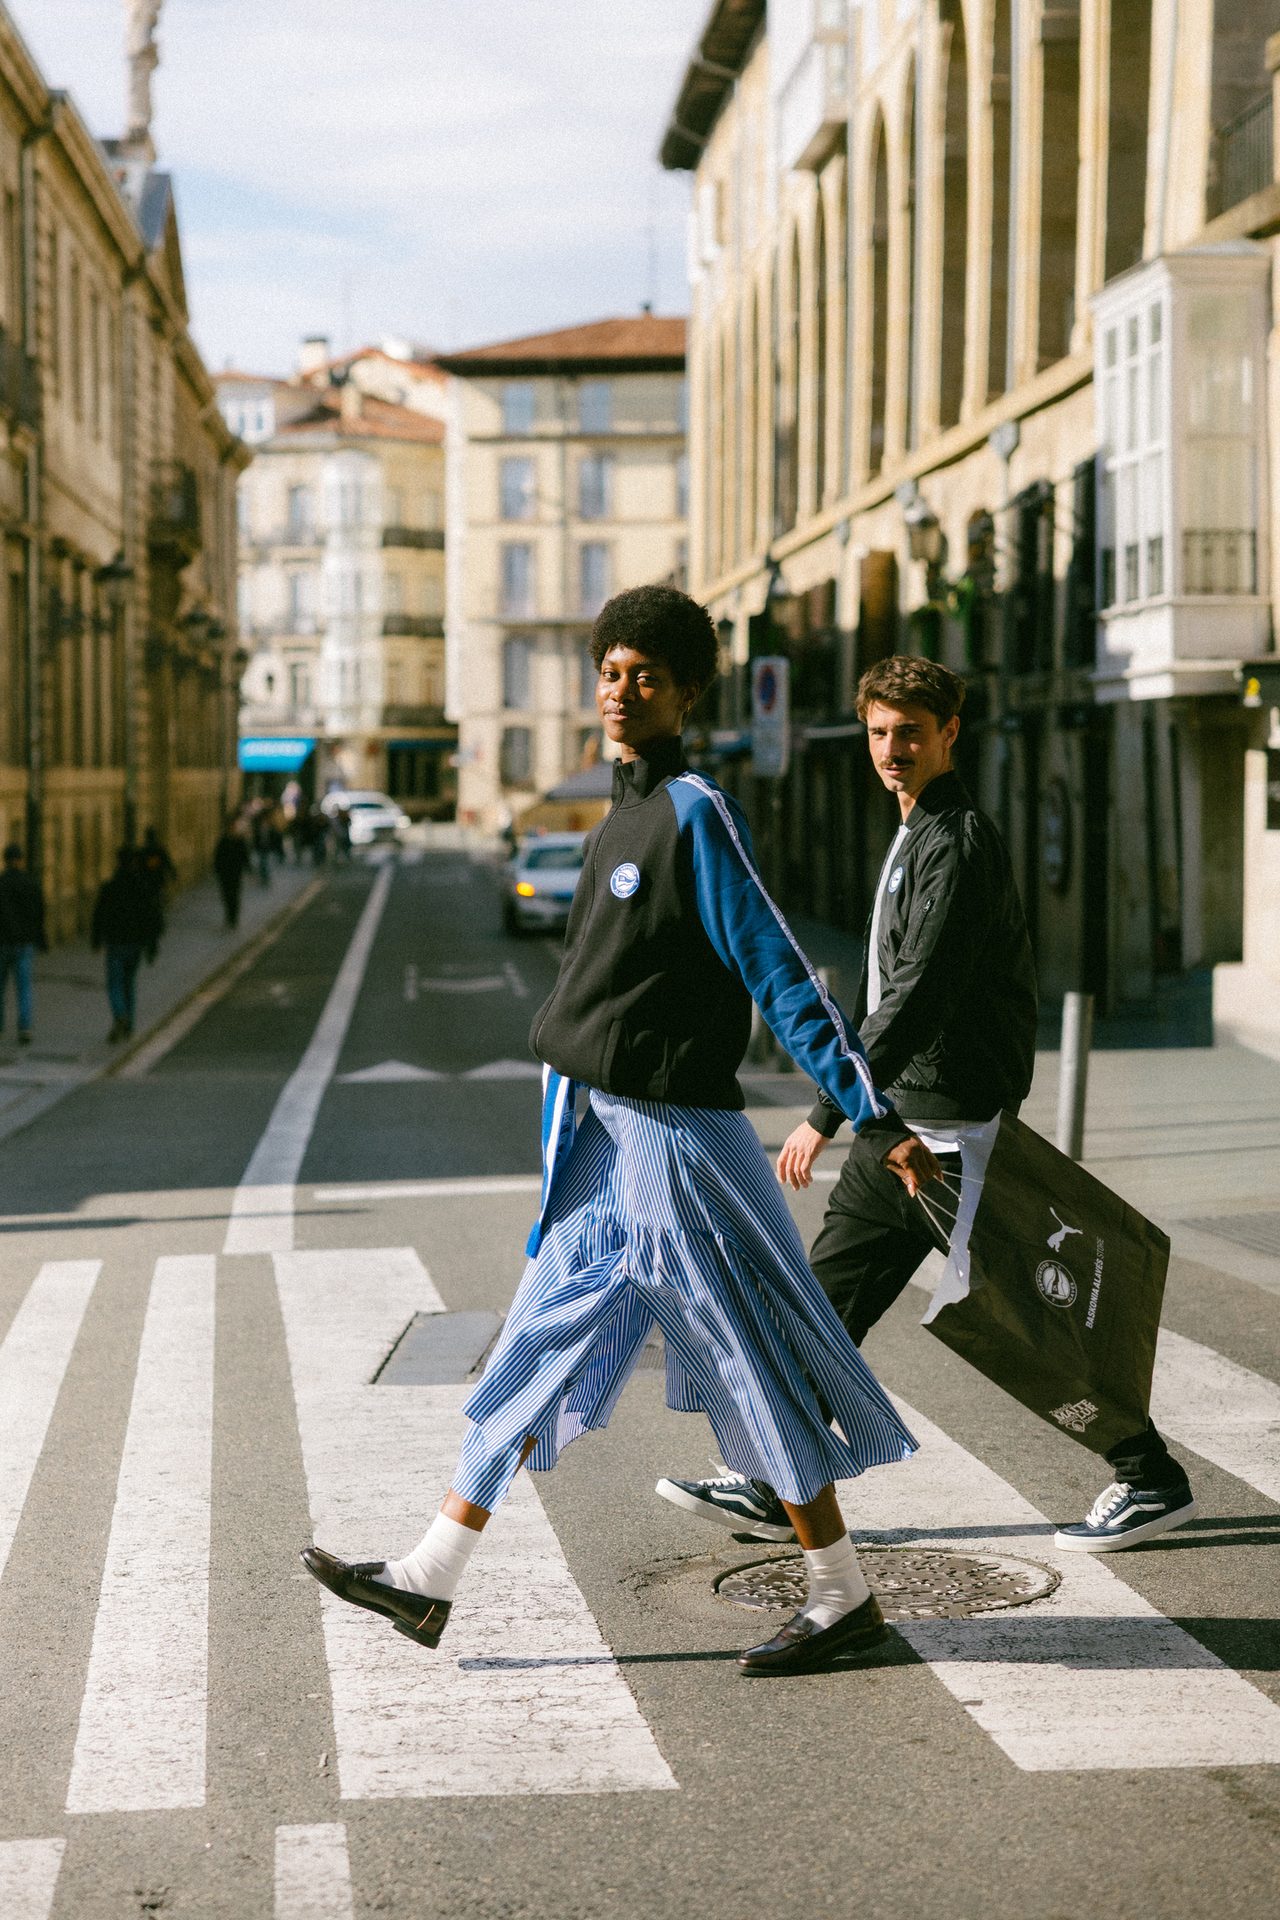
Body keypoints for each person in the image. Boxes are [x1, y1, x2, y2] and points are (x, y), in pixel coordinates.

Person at [302, 585, 940, 1677]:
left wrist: (868, 1115)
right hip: (600, 1138)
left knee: (746, 1356)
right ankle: (428, 1577)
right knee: (535, 1342)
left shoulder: (693, 811)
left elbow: (779, 970)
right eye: (607, 669)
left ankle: (841, 1595)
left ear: (686, 692)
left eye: (644, 673)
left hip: (674, 1142)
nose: (618, 688)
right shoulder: (615, 820)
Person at [657, 655, 1196, 1556]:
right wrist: (862, 1106)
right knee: (824, 1305)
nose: (892, 749)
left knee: (1027, 1318)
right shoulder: (915, 833)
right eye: (879, 732)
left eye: (911, 732)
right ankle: (767, 1475)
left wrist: (831, 1108)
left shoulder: (960, 842)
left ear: (950, 734)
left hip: (948, 1126)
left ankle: (1149, 1475)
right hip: (905, 1120)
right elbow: (891, 995)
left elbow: (920, 994)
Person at [91, 847, 162, 1043]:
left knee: (114, 983)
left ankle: (119, 1014)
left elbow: (99, 914)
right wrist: (151, 945)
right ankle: (129, 1025)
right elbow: (151, 917)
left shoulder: (110, 886)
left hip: (115, 942)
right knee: (129, 983)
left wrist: (96, 939)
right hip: (135, 943)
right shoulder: (142, 887)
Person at [0, 843, 47, 1045]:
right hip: (25, 943)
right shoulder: (31, 883)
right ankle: (25, 1027)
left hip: (2, 942)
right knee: (24, 987)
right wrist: (41, 939)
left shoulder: (1, 883)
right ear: (21, 860)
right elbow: (39, 913)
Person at [213, 818, 251, 929]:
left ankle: (233, 918)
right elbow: (217, 857)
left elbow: (245, 856)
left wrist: (248, 869)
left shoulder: (239, 841)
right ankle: (228, 916)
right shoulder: (223, 841)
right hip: (224, 874)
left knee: (234, 895)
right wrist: (218, 870)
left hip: (235, 873)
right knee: (226, 895)